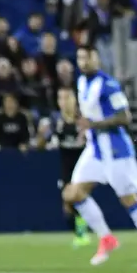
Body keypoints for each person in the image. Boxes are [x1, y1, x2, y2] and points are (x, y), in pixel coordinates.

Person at [61, 46, 137, 266]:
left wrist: (93, 124)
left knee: (129, 200)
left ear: (96, 59)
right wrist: (78, 119)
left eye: (87, 58)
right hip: (95, 150)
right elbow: (90, 115)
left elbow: (124, 117)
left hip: (116, 151)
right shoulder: (81, 82)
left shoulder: (108, 85)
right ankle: (106, 239)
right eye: (79, 58)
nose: (83, 62)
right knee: (73, 193)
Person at [38, 87, 90, 247]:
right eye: (60, 98)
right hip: (66, 166)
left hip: (83, 165)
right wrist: (41, 135)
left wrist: (87, 134)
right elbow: (41, 144)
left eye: (67, 98)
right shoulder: (55, 121)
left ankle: (83, 234)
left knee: (75, 198)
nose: (63, 102)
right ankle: (81, 233)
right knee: (67, 205)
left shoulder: (83, 120)